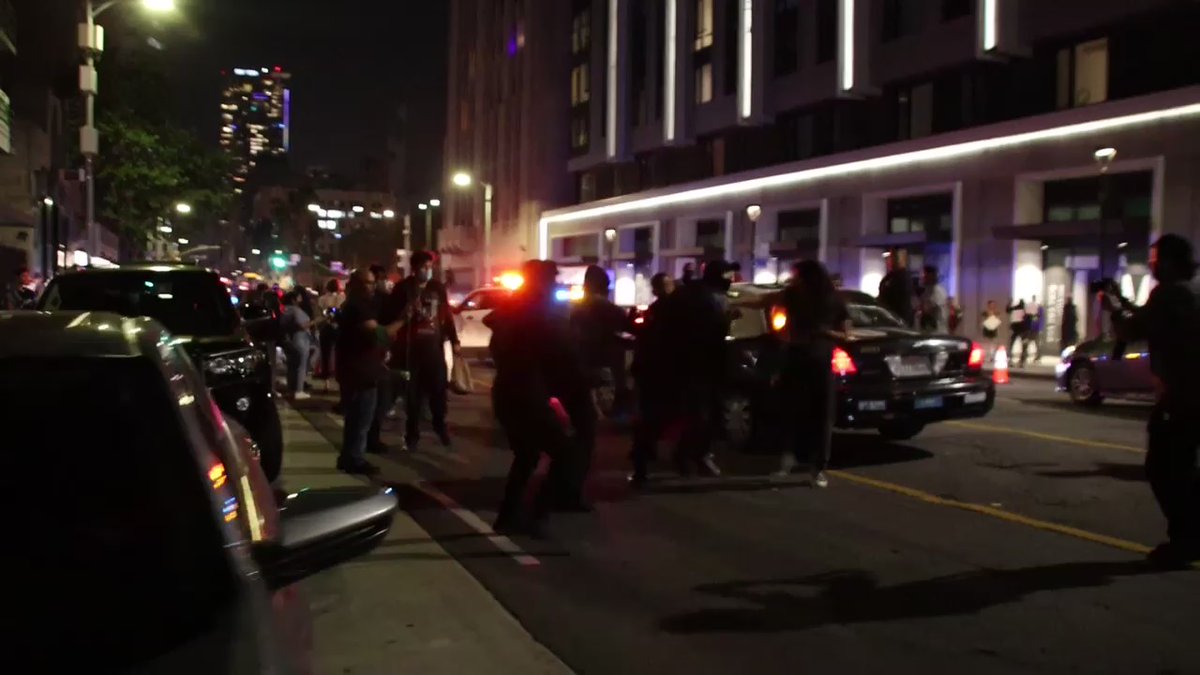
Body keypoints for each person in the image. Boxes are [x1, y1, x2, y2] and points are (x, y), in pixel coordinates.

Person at [1102, 234, 1200, 568]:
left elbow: (1131, 331)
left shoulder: (1168, 294)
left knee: (1163, 468)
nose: (1153, 264)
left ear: (1170, 262)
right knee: (1187, 467)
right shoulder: (1192, 291)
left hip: (1183, 396)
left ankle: (1186, 540)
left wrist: (1113, 309)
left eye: (1156, 259)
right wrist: (1125, 302)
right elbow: (1150, 318)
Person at [488, 260, 593, 535]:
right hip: (526, 393)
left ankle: (509, 516)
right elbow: (561, 350)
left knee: (527, 456)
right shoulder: (536, 312)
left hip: (511, 391)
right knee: (565, 453)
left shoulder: (516, 308)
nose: (555, 283)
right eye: (551, 278)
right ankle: (537, 515)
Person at [774, 261, 850, 488]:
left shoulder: (832, 300)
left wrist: (825, 332)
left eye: (797, 275)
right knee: (795, 411)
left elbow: (846, 333)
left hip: (817, 361)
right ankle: (793, 460)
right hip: (799, 359)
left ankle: (815, 466)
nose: (794, 279)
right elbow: (776, 312)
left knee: (820, 414)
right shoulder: (792, 295)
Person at [334, 268, 407, 475]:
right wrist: (403, 320)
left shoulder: (357, 305)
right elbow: (379, 334)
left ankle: (350, 456)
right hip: (360, 372)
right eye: (368, 283)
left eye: (373, 282)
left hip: (359, 369)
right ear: (356, 285)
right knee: (360, 419)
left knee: (358, 418)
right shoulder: (358, 307)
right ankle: (354, 458)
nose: (372, 287)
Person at [666, 260, 734, 477]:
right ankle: (688, 456)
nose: (730, 280)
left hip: (703, 363)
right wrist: (726, 322)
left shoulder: (699, 294)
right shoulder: (701, 298)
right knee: (700, 414)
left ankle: (694, 455)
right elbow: (709, 330)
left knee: (706, 413)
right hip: (697, 363)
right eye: (727, 275)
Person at [391, 251, 461, 449]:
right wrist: (405, 313)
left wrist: (454, 340)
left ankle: (440, 425)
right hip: (411, 351)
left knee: (439, 391)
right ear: (414, 268)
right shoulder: (403, 289)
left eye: (430, 267)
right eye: (424, 267)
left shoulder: (437, 288)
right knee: (413, 396)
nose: (428, 271)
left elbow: (446, 316)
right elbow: (390, 317)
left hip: (434, 349)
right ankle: (412, 434)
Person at [629, 272, 680, 488]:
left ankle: (644, 459)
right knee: (655, 417)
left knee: (652, 418)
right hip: (660, 372)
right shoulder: (664, 312)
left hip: (657, 372)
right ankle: (645, 460)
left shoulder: (658, 312)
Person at [571, 265, 633, 418]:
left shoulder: (576, 309)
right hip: (608, 360)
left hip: (583, 359)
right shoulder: (611, 309)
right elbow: (624, 331)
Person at [280, 289, 313, 400]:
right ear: (294, 299)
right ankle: (299, 390)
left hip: (292, 339)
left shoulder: (285, 310)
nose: (301, 298)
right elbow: (302, 325)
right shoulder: (296, 310)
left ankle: (291, 389)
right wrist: (317, 321)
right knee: (301, 365)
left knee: (292, 366)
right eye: (298, 296)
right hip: (301, 339)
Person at [316, 278, 344, 380]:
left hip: (325, 326)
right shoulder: (342, 298)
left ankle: (325, 377)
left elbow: (319, 314)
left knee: (325, 353)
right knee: (339, 353)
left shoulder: (322, 299)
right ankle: (339, 374)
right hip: (338, 328)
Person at [878, 253, 915, 327]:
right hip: (891, 315)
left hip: (898, 316)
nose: (889, 262)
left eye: (891, 259)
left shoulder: (901, 277)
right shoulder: (890, 276)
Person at [918, 266, 948, 333]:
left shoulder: (938, 291)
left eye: (924, 275)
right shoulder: (926, 291)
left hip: (937, 330)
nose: (922, 278)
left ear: (931, 276)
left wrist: (922, 310)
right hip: (928, 329)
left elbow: (930, 309)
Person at [1022, 295, 1042, 366]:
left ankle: (1025, 356)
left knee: (1027, 342)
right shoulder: (1038, 307)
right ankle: (1037, 357)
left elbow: (1025, 316)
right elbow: (1039, 318)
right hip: (1034, 328)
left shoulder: (1029, 306)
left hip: (1031, 328)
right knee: (1035, 343)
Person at [1006, 298, 1026, 364]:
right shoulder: (1024, 310)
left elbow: (1007, 310)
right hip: (1021, 327)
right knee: (1023, 343)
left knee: (1012, 342)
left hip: (1015, 326)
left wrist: (1009, 302)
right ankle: (1022, 360)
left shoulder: (1014, 308)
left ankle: (1010, 359)